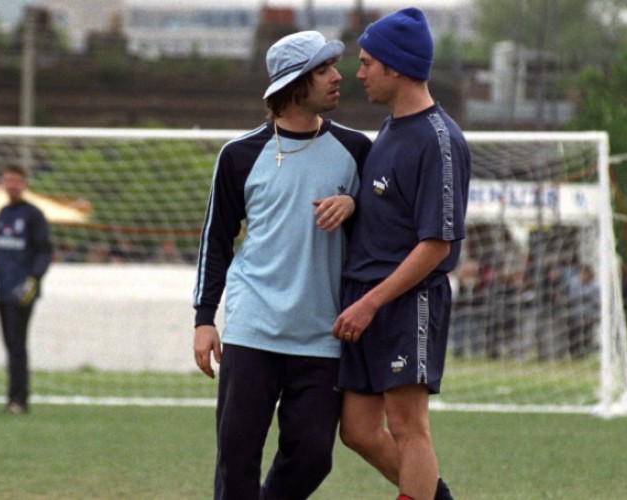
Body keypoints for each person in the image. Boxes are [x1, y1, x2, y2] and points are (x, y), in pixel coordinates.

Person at [192, 31, 370, 499]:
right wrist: (204, 319)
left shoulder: (356, 150)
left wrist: (353, 206)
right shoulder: (238, 155)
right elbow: (216, 240)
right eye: (323, 69)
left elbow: (381, 230)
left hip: (321, 335)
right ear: (294, 84)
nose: (338, 77)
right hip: (252, 330)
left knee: (313, 456)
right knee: (236, 459)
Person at [330, 8, 468, 500]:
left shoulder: (440, 140)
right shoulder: (389, 129)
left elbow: (437, 244)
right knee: (358, 431)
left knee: (408, 425)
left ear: (396, 66)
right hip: (364, 299)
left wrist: (373, 302)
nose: (359, 72)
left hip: (406, 300)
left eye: (367, 63)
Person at [0, 164, 53, 414]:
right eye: (7, 180)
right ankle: (13, 398)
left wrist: (34, 279)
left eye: (16, 181)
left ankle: (19, 399)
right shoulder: (2, 214)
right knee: (9, 343)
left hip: (22, 290)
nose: (12, 185)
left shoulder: (33, 215)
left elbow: (44, 251)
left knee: (17, 344)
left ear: (24, 184)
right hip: (2, 289)